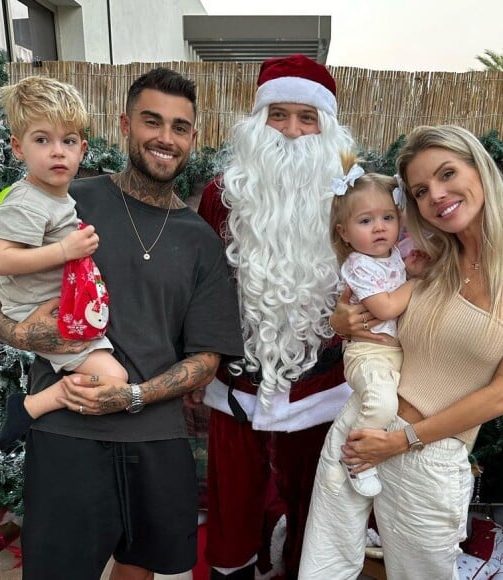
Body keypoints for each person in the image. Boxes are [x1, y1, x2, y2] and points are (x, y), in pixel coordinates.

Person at [0, 67, 244, 580]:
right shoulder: (72, 200)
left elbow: (206, 358)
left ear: (193, 138)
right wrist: (21, 333)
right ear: (124, 125)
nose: (165, 137)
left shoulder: (202, 240)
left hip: (156, 436)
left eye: (179, 127)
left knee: (139, 570)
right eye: (151, 121)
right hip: (67, 427)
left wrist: (133, 396)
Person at [300, 125, 503, 579]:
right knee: (323, 567)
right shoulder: (433, 260)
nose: (438, 195)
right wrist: (340, 319)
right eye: (421, 190)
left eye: (448, 174)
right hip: (361, 427)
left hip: (424, 456)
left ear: (480, 169)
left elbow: (499, 396)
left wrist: (399, 442)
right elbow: (371, 304)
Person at [197, 54, 356, 580]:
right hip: (237, 389)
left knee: (320, 511)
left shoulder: (353, 195)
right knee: (232, 511)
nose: (291, 131)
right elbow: (203, 290)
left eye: (306, 118)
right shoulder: (222, 195)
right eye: (279, 115)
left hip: (323, 388)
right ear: (257, 122)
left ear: (326, 126)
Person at [0, 76, 127, 451]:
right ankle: (34, 404)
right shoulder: (26, 201)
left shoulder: (54, 195)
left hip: (53, 301)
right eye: (42, 140)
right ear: (18, 147)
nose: (57, 152)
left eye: (67, 141)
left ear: (82, 149)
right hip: (34, 308)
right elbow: (0, 260)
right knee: (114, 381)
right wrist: (66, 250)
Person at [328, 154, 427, 496]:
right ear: (344, 233)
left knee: (391, 406)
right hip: (368, 354)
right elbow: (384, 307)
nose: (380, 227)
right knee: (380, 404)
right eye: (366, 221)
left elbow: (395, 283)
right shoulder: (358, 265)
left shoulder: (391, 255)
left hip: (391, 354)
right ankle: (357, 459)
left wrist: (410, 271)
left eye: (387, 217)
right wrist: (417, 283)